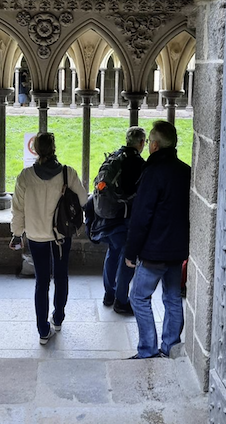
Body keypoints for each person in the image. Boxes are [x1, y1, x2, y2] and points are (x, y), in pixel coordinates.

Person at [10, 132, 88, 345]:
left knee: (41, 281)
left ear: (35, 150)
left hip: (36, 235)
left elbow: (17, 209)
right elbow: (83, 199)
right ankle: (59, 318)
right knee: (61, 276)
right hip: (61, 234)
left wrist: (17, 234)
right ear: (54, 148)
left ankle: (43, 330)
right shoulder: (67, 173)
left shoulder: (25, 176)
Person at [125, 120, 191, 358]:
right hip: (177, 250)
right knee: (173, 296)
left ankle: (147, 350)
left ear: (154, 145)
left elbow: (141, 216)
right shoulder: (185, 171)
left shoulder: (152, 172)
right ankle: (171, 346)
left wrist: (131, 253)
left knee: (138, 297)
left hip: (154, 251)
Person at [95, 126, 147, 315]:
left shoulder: (115, 156)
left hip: (109, 214)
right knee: (127, 258)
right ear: (141, 143)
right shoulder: (138, 163)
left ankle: (109, 294)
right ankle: (121, 300)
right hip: (126, 216)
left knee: (112, 252)